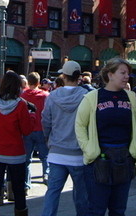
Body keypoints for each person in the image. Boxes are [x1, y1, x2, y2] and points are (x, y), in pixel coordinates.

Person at [75, 58, 136, 216]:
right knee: (96, 210)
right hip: (100, 159)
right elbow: (80, 125)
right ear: (110, 75)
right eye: (122, 73)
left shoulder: (131, 97)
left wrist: (133, 150)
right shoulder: (92, 97)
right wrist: (88, 150)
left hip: (124, 158)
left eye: (128, 73)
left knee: (119, 209)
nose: (127, 76)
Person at [40, 60, 89, 216]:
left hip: (57, 152)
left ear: (64, 76)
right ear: (79, 76)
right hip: (79, 153)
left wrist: (48, 138)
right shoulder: (86, 96)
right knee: (81, 195)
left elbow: (46, 121)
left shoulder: (53, 96)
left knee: (52, 192)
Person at [0, 70, 35, 216]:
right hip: (15, 153)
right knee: (18, 190)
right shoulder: (20, 105)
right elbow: (27, 130)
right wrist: (31, 116)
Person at [21, 71, 49, 188]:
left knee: (26, 159)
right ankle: (46, 176)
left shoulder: (22, 96)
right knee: (45, 156)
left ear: (28, 82)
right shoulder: (45, 95)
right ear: (38, 82)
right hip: (41, 129)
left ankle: (26, 184)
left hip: (27, 130)